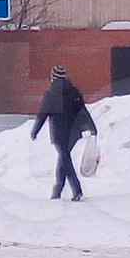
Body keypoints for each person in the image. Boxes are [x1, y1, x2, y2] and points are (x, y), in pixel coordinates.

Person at [31, 65, 97, 201]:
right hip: (73, 132)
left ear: (53, 77)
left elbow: (42, 114)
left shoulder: (51, 94)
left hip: (59, 133)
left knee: (65, 160)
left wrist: (35, 131)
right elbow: (82, 111)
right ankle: (57, 191)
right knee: (63, 159)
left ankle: (77, 190)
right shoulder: (74, 92)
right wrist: (91, 127)